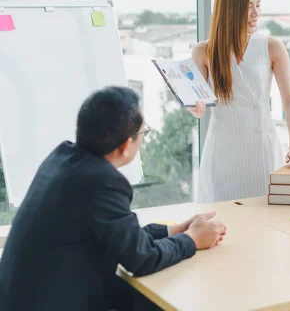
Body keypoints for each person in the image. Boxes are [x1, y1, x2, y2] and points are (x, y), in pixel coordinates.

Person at [0, 87, 227, 311]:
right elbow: (142, 259)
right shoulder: (103, 182)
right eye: (142, 131)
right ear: (126, 145)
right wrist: (192, 239)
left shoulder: (62, 158)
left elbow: (119, 238)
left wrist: (176, 230)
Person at [189, 0, 290, 203]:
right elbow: (196, 101)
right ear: (229, 9)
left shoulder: (271, 46)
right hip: (222, 150)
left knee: (264, 216)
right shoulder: (203, 51)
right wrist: (194, 108)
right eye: (248, 7)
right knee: (221, 218)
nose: (256, 14)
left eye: (258, 5)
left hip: (261, 147)